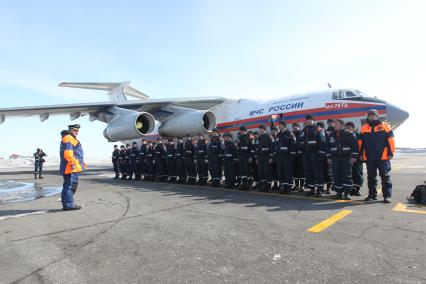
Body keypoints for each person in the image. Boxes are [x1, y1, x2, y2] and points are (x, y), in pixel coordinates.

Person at [359, 109, 395, 203]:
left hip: (383, 156)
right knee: (371, 177)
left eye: (373, 115)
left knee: (385, 176)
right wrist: (360, 154)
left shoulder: (384, 126)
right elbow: (360, 143)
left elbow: (391, 140)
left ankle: (387, 196)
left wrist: (391, 153)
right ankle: (372, 195)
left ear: (377, 116)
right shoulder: (364, 128)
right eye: (369, 115)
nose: (371, 116)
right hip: (369, 157)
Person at [326, 119, 358, 200]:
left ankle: (347, 193)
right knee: (336, 176)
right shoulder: (331, 135)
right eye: (334, 124)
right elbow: (328, 147)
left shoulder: (349, 134)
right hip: (335, 159)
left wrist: (353, 157)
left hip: (346, 158)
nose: (334, 125)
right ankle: (339, 193)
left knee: (347, 176)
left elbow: (355, 147)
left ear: (342, 125)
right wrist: (329, 157)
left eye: (336, 124)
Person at [60, 124, 86, 211]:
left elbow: (75, 153)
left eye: (77, 131)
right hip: (70, 167)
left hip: (69, 166)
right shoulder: (68, 137)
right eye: (75, 130)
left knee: (68, 185)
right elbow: (68, 153)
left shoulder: (69, 137)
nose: (76, 132)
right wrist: (73, 164)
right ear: (70, 129)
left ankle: (67, 204)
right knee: (71, 185)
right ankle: (69, 205)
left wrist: (81, 162)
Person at [300, 115, 326, 197]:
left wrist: (321, 153)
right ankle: (312, 189)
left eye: (310, 120)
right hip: (306, 155)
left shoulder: (318, 129)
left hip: (315, 154)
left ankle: (319, 190)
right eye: (307, 120)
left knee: (317, 172)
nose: (308, 121)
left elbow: (322, 141)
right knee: (308, 172)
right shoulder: (303, 131)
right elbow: (300, 142)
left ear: (313, 121)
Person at [276, 121, 297, 194]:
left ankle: (289, 187)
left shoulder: (290, 134)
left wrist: (292, 156)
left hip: (287, 156)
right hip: (279, 156)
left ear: (284, 126)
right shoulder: (278, 134)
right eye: (279, 125)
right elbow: (276, 145)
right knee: (281, 172)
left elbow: (293, 145)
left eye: (280, 125)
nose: (279, 126)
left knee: (287, 172)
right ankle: (283, 187)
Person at [346, 121, 364, 196]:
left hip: (357, 159)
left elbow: (361, 146)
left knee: (358, 174)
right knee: (350, 174)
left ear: (353, 127)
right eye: (347, 127)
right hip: (348, 158)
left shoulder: (358, 135)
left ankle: (357, 189)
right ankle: (351, 189)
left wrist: (360, 155)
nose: (348, 129)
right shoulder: (345, 135)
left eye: (350, 127)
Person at [257, 124, 274, 192]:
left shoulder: (269, 136)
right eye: (260, 129)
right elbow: (258, 148)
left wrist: (271, 157)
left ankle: (269, 187)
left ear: (264, 129)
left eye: (261, 129)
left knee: (267, 172)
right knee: (261, 172)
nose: (260, 130)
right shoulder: (260, 137)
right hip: (261, 157)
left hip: (267, 157)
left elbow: (272, 147)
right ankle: (263, 185)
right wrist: (257, 157)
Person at [236, 126, 252, 191]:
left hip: (247, 156)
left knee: (247, 170)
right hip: (241, 156)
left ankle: (249, 184)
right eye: (240, 130)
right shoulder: (239, 138)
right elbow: (238, 148)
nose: (241, 131)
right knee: (242, 171)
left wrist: (250, 156)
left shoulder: (249, 137)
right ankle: (244, 184)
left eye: (243, 130)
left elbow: (251, 148)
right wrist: (238, 156)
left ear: (245, 131)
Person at [292, 123, 305, 192]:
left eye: (296, 127)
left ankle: (302, 186)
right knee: (295, 172)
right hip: (294, 156)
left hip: (301, 156)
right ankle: (296, 185)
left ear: (299, 127)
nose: (294, 128)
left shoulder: (302, 134)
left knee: (301, 171)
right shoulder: (291, 135)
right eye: (293, 127)